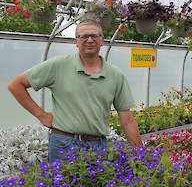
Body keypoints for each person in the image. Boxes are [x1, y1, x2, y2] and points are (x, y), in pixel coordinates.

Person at [8, 19, 142, 162]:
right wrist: (41, 115)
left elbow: (127, 121)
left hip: (97, 146)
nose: (89, 40)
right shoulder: (59, 65)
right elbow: (16, 85)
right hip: (63, 143)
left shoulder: (116, 76)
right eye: (83, 36)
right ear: (76, 42)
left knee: (95, 184)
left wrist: (141, 155)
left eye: (94, 36)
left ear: (102, 40)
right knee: (61, 184)